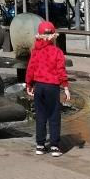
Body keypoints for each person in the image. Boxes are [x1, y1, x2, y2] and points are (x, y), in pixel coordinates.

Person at [24, 20, 71, 157]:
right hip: (52, 87)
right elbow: (61, 70)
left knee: (41, 116)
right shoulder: (57, 52)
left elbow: (30, 69)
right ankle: (54, 146)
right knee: (54, 116)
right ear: (53, 36)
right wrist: (65, 87)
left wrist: (29, 84)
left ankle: (40, 145)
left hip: (39, 86)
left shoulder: (35, 52)